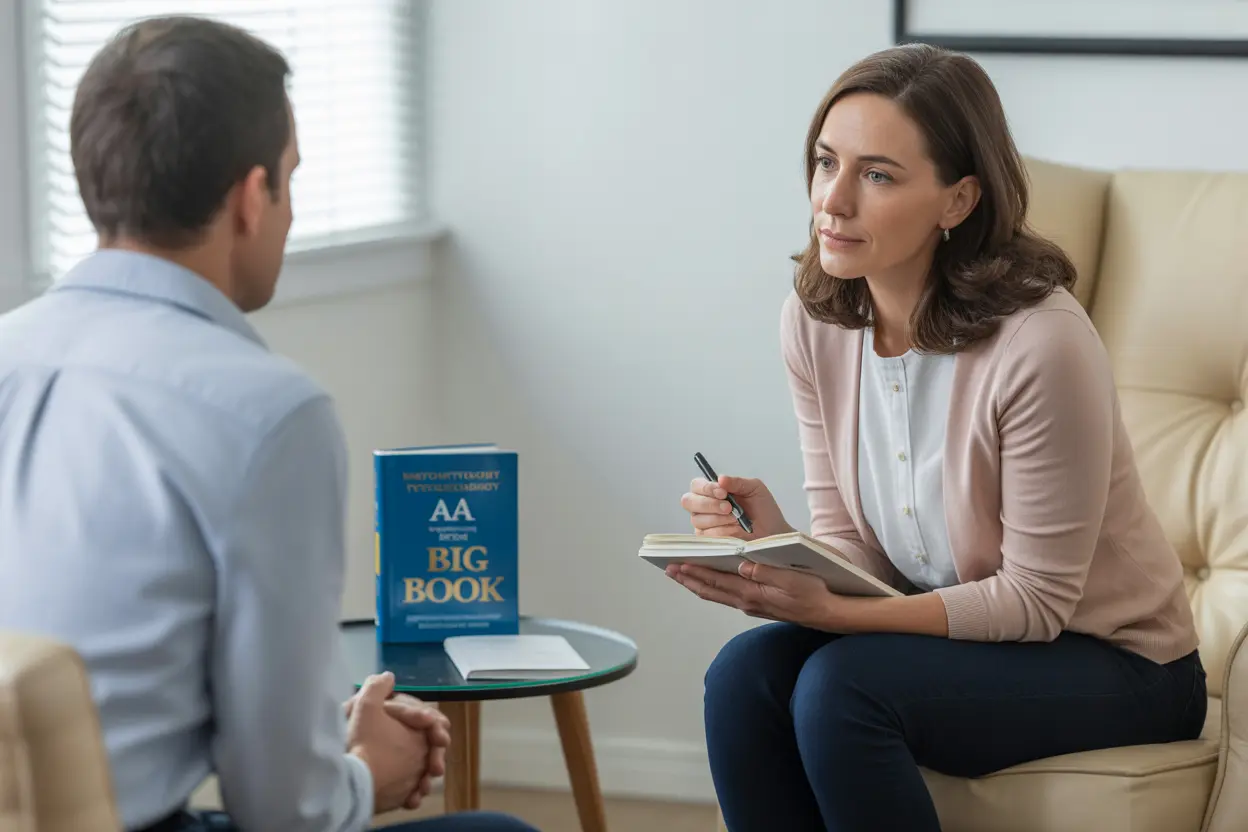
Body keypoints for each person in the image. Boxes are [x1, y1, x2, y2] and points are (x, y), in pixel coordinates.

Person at [0, 16, 537, 832]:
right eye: (291, 177)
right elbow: (284, 810)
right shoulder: (266, 413)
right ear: (252, 198)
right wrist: (366, 772)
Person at [670, 43, 1206, 832]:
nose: (835, 200)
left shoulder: (1040, 342)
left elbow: (1037, 601)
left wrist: (836, 616)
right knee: (744, 674)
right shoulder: (816, 322)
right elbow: (859, 545)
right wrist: (780, 548)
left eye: (878, 175)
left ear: (957, 202)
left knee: (843, 686)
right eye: (826, 162)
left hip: (1118, 663)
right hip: (960, 639)